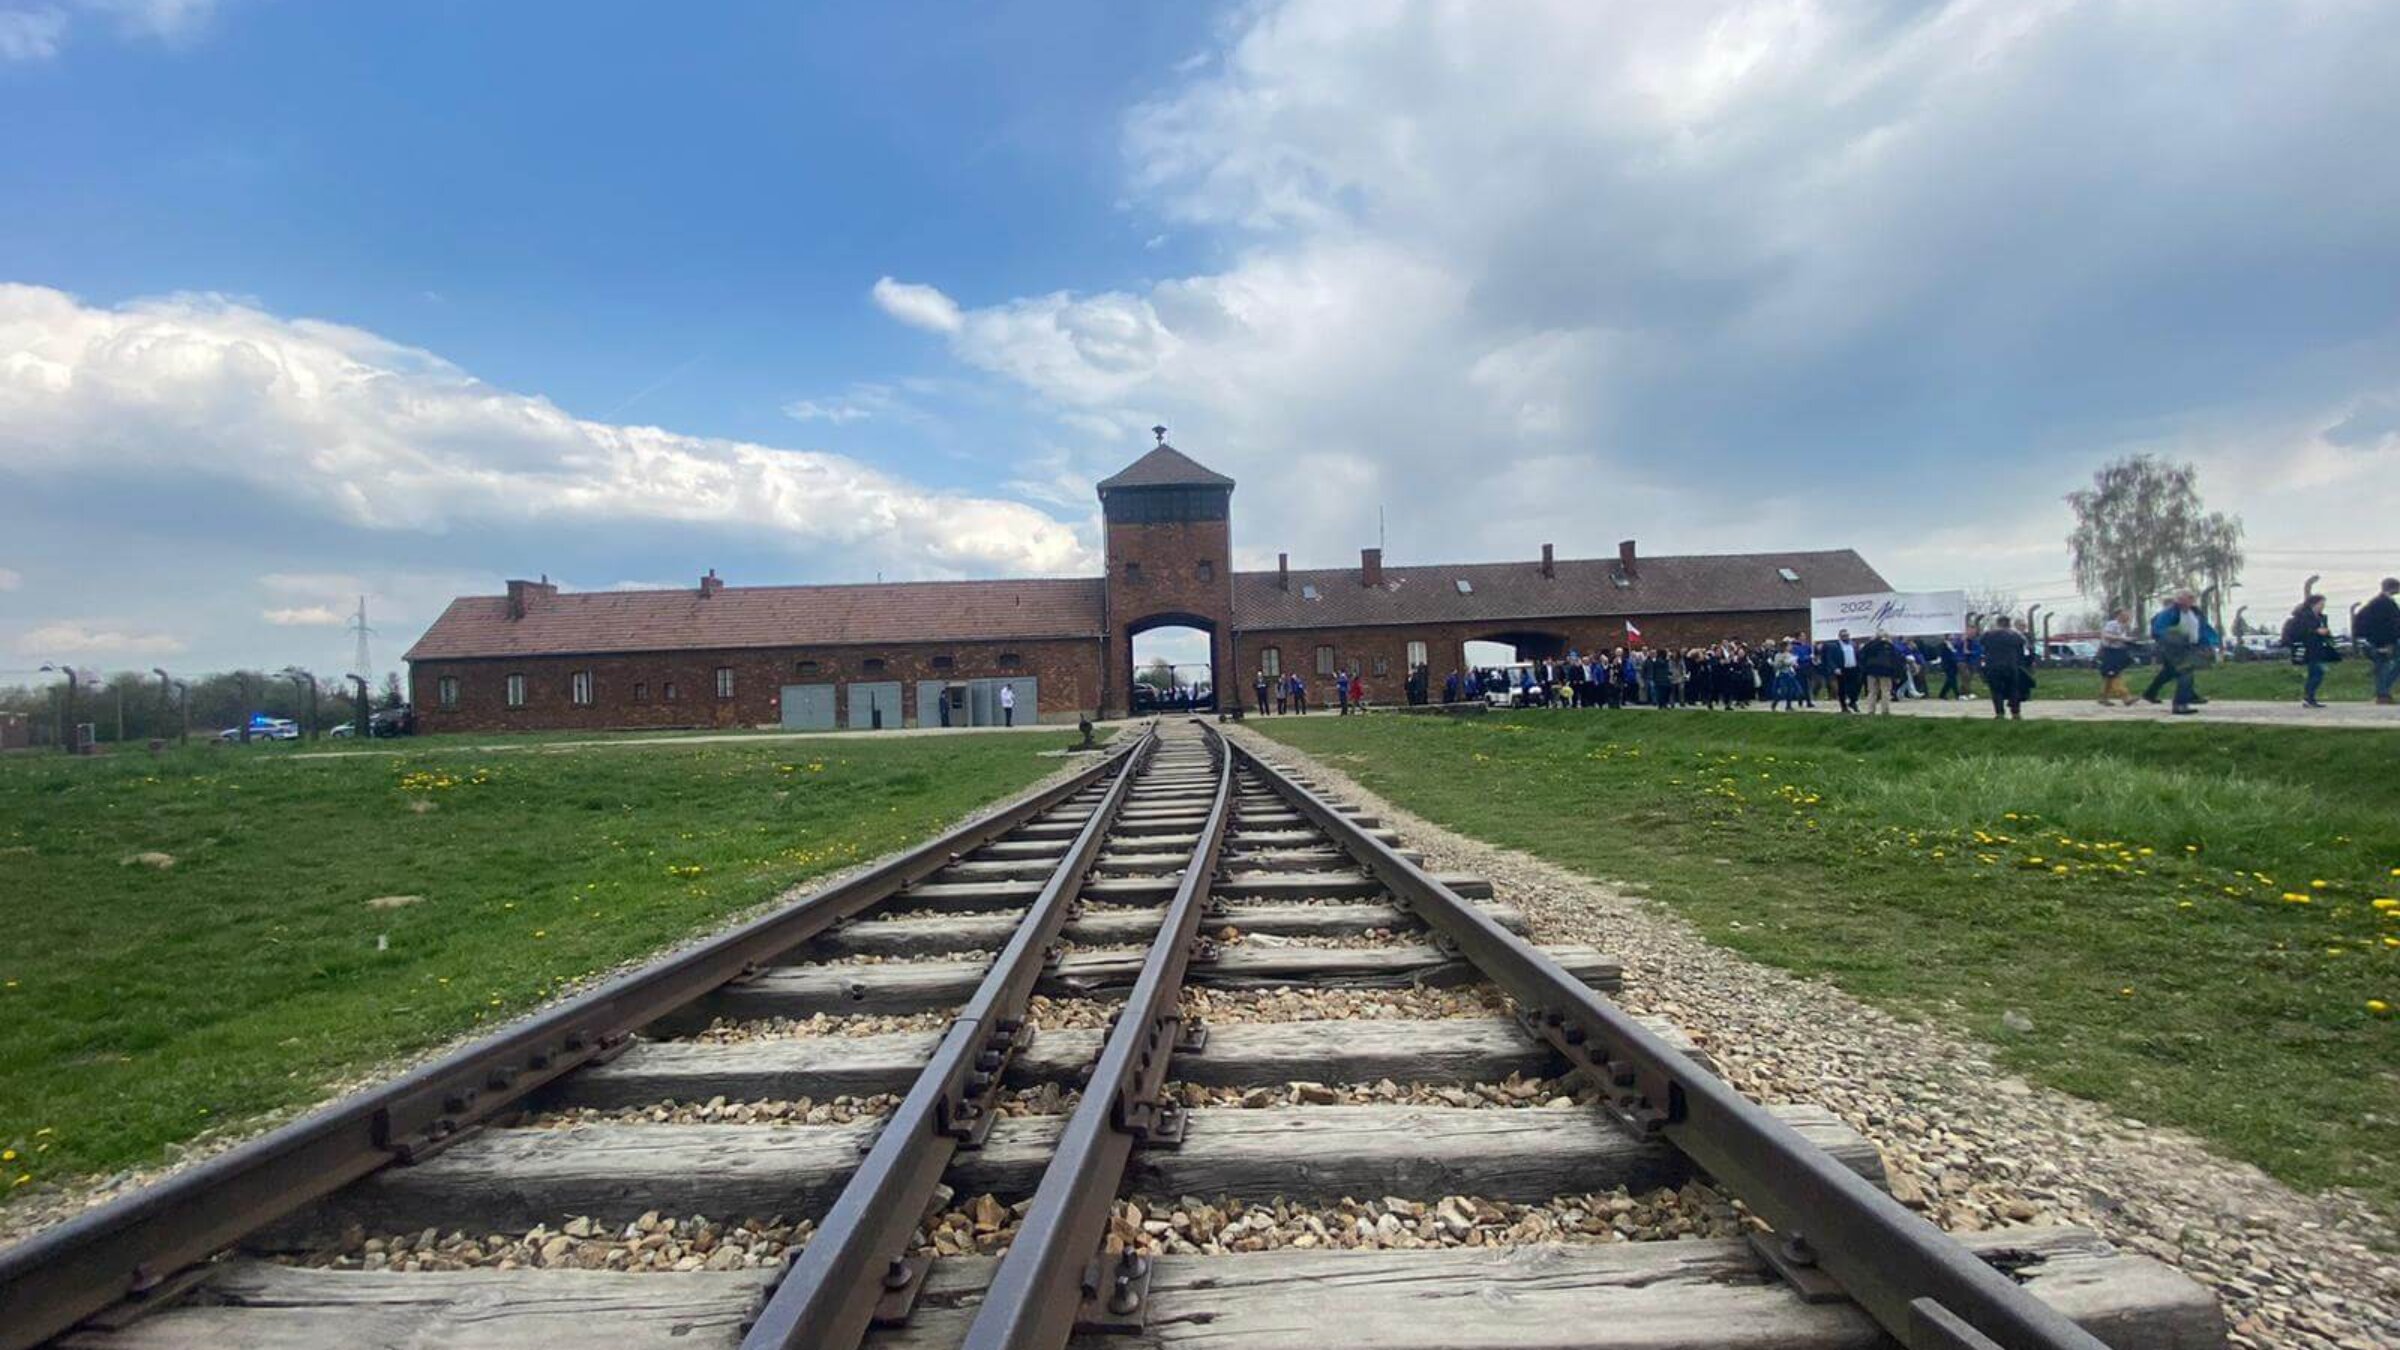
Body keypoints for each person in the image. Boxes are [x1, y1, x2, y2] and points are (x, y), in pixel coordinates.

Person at [2143, 589, 2218, 714]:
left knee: (2169, 672)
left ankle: (2150, 693)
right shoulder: (2169, 613)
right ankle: (2180, 705)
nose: (2190, 600)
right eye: (2187, 597)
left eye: (2191, 597)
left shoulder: (2196, 612)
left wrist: (2209, 643)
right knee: (2185, 672)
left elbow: (2203, 629)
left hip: (2190, 647)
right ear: (2178, 600)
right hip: (2173, 648)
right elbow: (2158, 630)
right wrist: (2175, 639)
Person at [2284, 596, 2339, 709]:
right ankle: (2308, 697)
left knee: (2316, 673)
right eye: (2321, 604)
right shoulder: (2303, 617)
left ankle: (2310, 697)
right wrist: (2316, 631)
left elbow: (2325, 631)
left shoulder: (2321, 618)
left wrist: (2327, 634)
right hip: (2308, 649)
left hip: (2318, 648)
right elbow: (2299, 632)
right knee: (2316, 672)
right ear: (2313, 604)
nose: (2323, 606)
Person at [2359, 578, 2400, 706]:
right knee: (2383, 666)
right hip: (2383, 641)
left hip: (2384, 640)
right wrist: (2383, 643)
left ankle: (2383, 692)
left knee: (2383, 666)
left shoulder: (2378, 603)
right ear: (2393, 588)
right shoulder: (2383, 604)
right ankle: (2383, 693)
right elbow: (2383, 625)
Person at [1981, 615, 2031, 719]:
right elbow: (2023, 649)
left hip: (1993, 666)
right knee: (2014, 689)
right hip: (2011, 665)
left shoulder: (1988, 635)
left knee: (1996, 690)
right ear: (2009, 623)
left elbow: (1982, 644)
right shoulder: (2015, 635)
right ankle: (2015, 712)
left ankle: (1999, 713)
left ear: (1997, 623)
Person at [2097, 609, 2138, 706]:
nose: (2128, 617)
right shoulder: (2112, 624)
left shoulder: (2123, 626)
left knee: (2109, 676)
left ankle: (2103, 697)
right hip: (2111, 652)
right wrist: (2122, 639)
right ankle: (2126, 697)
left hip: (2118, 651)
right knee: (2114, 675)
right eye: (2126, 615)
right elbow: (2106, 635)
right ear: (2119, 615)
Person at [1858, 630, 1900, 714]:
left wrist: (1865, 668)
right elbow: (1895, 660)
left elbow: (1862, 655)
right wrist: (1896, 674)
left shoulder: (1870, 645)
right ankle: (1885, 710)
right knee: (1885, 691)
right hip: (1885, 671)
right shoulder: (1889, 646)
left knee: (1872, 691)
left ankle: (1871, 710)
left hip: (1871, 671)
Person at [1826, 629, 1862, 712]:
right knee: (1842, 688)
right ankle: (1843, 706)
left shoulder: (1853, 644)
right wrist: (1835, 668)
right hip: (1842, 669)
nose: (1846, 637)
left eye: (1847, 635)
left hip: (1853, 668)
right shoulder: (1835, 646)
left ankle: (1853, 701)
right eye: (1843, 636)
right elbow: (1830, 658)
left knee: (1856, 686)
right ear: (1840, 637)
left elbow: (1858, 655)